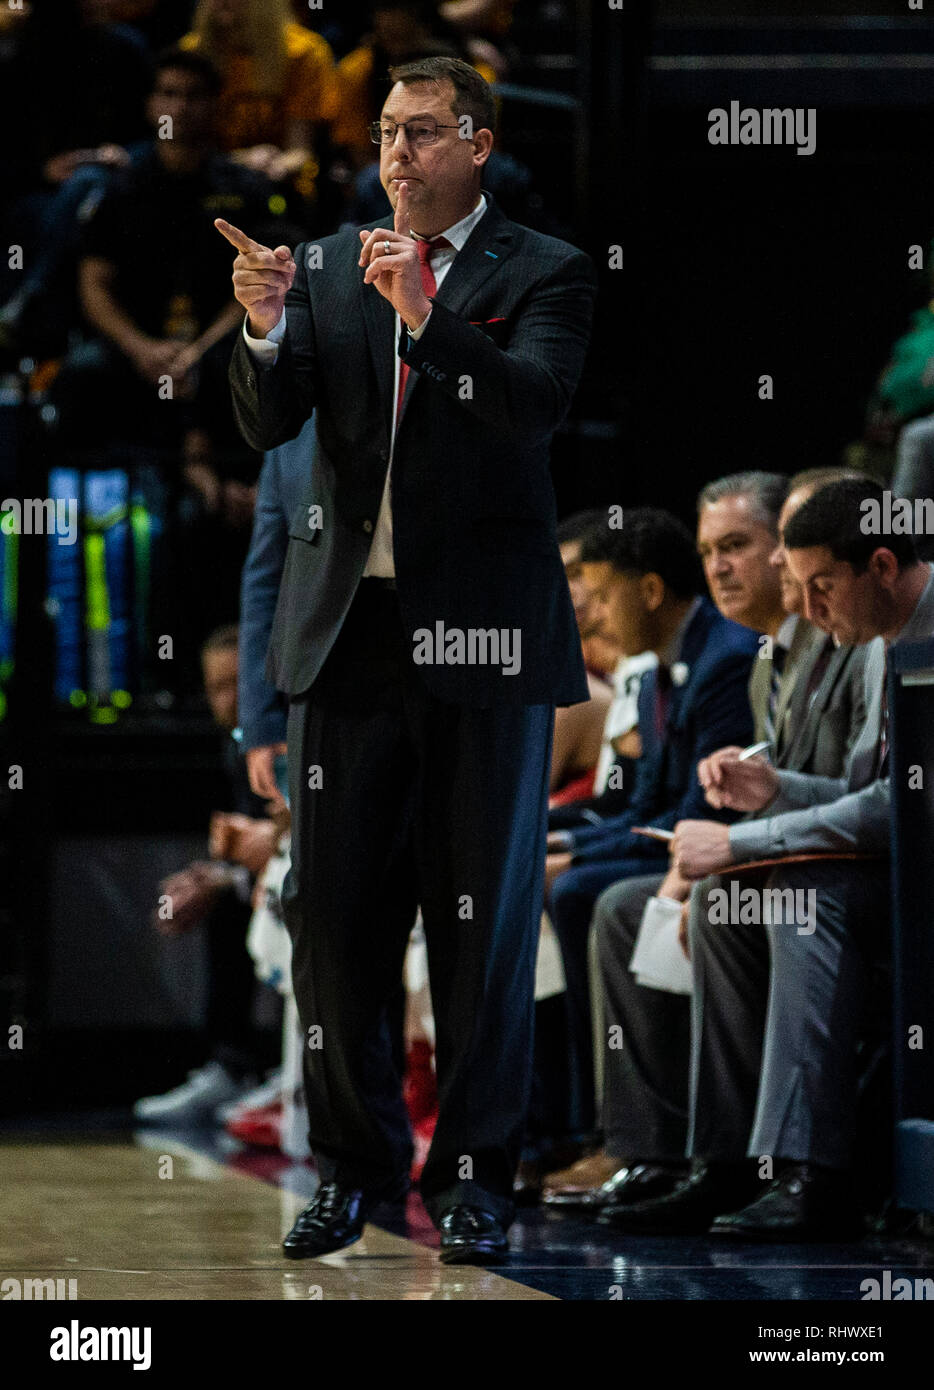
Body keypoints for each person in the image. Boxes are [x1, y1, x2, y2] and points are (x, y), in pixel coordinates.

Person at [216, 54, 596, 1263]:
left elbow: (529, 407)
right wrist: (266, 329)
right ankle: (350, 1172)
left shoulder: (545, 269)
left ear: (477, 144)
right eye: (385, 133)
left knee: (477, 929)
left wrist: (424, 323)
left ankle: (475, 1177)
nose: (395, 154)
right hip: (348, 640)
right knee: (333, 925)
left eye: (422, 133)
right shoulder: (326, 266)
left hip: (483, 642)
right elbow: (270, 427)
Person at [612, 478, 934, 1241]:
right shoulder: (880, 634)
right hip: (897, 875)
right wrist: (773, 787)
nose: (812, 611)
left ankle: (811, 1173)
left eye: (822, 588)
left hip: (912, 879)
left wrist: (741, 839)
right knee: (726, 902)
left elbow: (900, 808)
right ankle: (726, 1163)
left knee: (799, 889)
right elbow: (866, 792)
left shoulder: (916, 638)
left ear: (881, 566)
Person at [543, 508, 759, 1141]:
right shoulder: (657, 667)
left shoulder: (726, 657)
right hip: (674, 839)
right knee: (556, 880)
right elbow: (642, 811)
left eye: (605, 595)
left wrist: (575, 860)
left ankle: (615, 1133)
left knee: (584, 892)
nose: (598, 614)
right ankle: (574, 1127)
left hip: (715, 848)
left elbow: (703, 810)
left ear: (652, 591)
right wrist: (564, 842)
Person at [134, 626, 283, 1124]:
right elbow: (247, 844)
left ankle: (296, 1073)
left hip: (318, 877)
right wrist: (212, 875)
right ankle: (231, 1065)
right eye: (218, 686)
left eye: (241, 682)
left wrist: (231, 874)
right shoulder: (234, 746)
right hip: (274, 874)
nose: (231, 698)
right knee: (221, 902)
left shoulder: (284, 738)